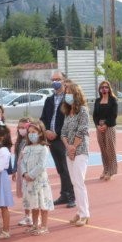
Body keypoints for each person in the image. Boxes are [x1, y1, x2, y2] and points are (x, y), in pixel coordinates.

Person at [41, 71, 76, 208]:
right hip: (51, 139)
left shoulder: (69, 99)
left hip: (64, 138)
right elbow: (43, 118)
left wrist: (57, 133)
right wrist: (46, 131)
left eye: (58, 79)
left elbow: (70, 118)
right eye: (53, 79)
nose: (55, 82)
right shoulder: (49, 100)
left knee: (67, 168)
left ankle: (71, 196)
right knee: (60, 168)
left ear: (64, 81)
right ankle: (64, 194)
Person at [60, 81, 91, 226]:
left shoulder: (83, 111)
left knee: (79, 182)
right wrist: (68, 147)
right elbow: (63, 132)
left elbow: (82, 129)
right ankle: (79, 211)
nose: (67, 95)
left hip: (80, 150)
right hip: (70, 151)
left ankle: (85, 214)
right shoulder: (68, 113)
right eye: (66, 93)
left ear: (76, 94)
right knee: (74, 183)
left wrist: (73, 147)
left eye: (69, 93)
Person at [20, 121, 54, 234]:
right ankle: (35, 225)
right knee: (33, 204)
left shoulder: (43, 148)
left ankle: (44, 226)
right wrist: (25, 173)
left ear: (40, 133)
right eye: (29, 132)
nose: (31, 134)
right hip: (29, 181)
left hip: (39, 181)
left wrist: (31, 175)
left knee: (42, 202)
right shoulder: (27, 148)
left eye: (34, 132)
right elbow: (22, 162)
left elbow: (41, 165)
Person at [93, 80, 119, 181]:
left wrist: (106, 124)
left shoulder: (113, 100)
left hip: (109, 126)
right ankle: (105, 169)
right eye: (102, 87)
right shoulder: (97, 101)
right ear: (99, 89)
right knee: (103, 149)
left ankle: (111, 171)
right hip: (99, 127)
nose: (104, 89)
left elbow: (114, 114)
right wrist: (97, 125)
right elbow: (95, 115)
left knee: (110, 149)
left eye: (106, 87)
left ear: (109, 89)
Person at [14, 117, 34, 227]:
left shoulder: (31, 141)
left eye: (23, 127)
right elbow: (16, 156)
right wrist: (14, 170)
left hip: (29, 171)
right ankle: (27, 216)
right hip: (21, 171)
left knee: (31, 193)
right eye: (19, 127)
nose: (21, 129)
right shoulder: (19, 141)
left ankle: (35, 216)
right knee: (25, 194)